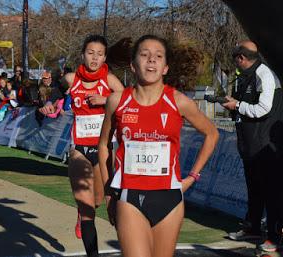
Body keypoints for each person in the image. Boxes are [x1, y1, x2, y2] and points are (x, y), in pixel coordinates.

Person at [98, 35, 219, 257]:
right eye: (144, 55)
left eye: (158, 56)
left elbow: (212, 133)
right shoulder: (117, 100)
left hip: (169, 200)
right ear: (134, 66)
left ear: (165, 68)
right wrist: (108, 192)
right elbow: (104, 145)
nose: (151, 60)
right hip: (130, 197)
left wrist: (192, 177)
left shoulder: (179, 101)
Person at [58, 34, 123, 257]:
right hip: (80, 149)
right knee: (88, 211)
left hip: (105, 149)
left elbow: (128, 100)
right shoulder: (71, 79)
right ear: (83, 54)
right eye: (90, 53)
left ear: (105, 57)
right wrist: (49, 103)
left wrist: (106, 100)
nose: (94, 58)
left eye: (99, 54)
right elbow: (54, 90)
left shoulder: (110, 80)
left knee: (103, 202)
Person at [223, 40, 283, 252]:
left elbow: (264, 109)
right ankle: (252, 227)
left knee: (272, 191)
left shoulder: (264, 74)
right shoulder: (244, 76)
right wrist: (232, 105)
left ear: (241, 58)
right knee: (255, 189)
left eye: (236, 59)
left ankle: (275, 236)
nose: (235, 63)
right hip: (250, 143)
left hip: (267, 145)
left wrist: (238, 105)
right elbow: (243, 108)